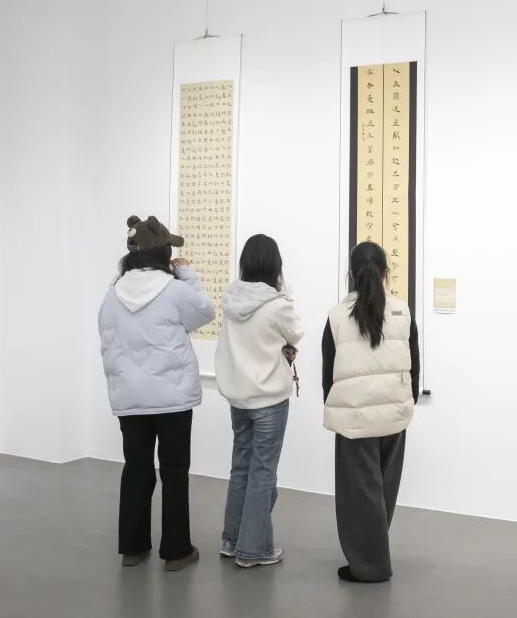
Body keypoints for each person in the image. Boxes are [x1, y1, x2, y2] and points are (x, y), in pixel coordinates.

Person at [98, 215, 214, 571]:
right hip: (171, 397)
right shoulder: (175, 290)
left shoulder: (112, 294)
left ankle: (133, 549)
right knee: (174, 472)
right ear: (164, 253)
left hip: (129, 397)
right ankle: (176, 552)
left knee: (136, 470)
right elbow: (205, 313)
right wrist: (186, 275)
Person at [322, 241, 420, 583]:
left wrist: (335, 404)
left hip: (354, 418)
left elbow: (328, 372)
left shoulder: (337, 316)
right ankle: (373, 552)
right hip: (394, 414)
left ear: (351, 274)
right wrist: (405, 400)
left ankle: (370, 565)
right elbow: (414, 364)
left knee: (359, 495)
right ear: (385, 273)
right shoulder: (403, 311)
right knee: (383, 490)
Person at [214, 234, 303, 568]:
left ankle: (232, 539)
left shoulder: (231, 298)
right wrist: (284, 293)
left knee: (241, 468)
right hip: (269, 399)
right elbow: (296, 333)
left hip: (238, 398)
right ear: (274, 265)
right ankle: (253, 550)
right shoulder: (278, 304)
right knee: (263, 474)